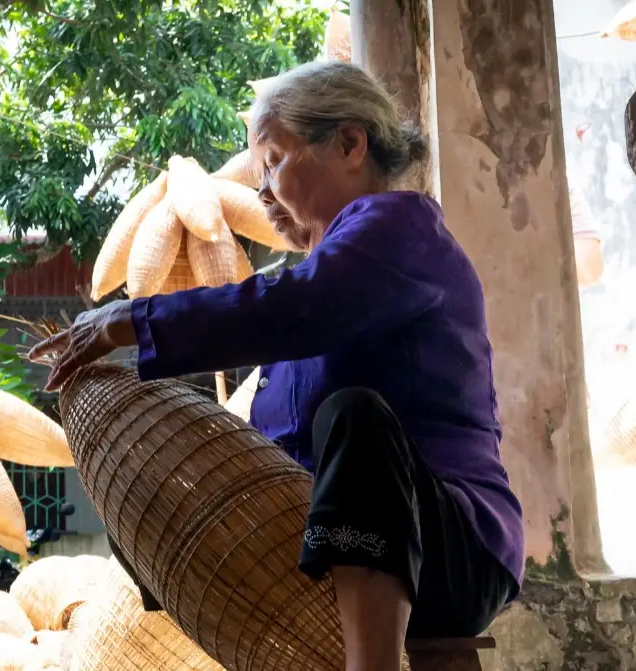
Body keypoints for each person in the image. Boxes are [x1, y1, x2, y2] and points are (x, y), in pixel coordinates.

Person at [33, 61, 524, 671]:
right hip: (328, 559)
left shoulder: (400, 228)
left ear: (349, 144)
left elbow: (295, 310)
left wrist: (129, 320)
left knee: (356, 419)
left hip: (450, 545)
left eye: (273, 160)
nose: (261, 190)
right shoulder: (318, 281)